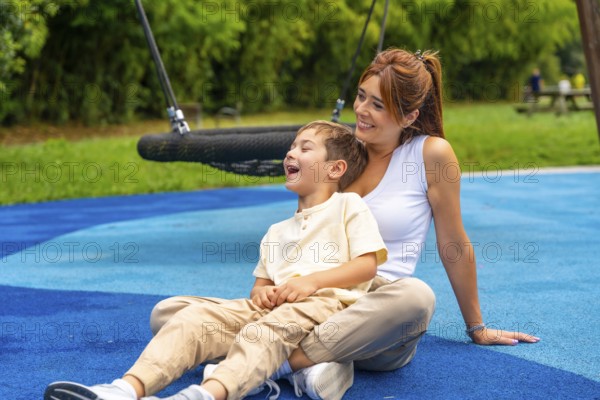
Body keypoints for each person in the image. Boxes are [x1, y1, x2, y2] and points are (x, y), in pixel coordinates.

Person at [149, 48, 541, 399]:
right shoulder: (341, 152)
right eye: (361, 97)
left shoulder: (430, 154)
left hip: (375, 313)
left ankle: (274, 364)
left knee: (416, 298)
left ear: (409, 115)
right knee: (169, 313)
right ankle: (316, 367)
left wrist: (477, 327)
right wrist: (269, 289)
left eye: (379, 106)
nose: (362, 111)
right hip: (312, 303)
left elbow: (453, 242)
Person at [44, 120, 388, 400]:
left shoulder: (348, 206)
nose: (290, 152)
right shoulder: (276, 231)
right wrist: (263, 294)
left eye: (304, 147)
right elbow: (260, 288)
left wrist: (310, 282)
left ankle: (207, 394)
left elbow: (366, 266)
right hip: (269, 311)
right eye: (292, 146)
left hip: (323, 306)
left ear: (335, 169)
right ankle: (126, 389)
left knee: (261, 334)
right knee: (194, 317)